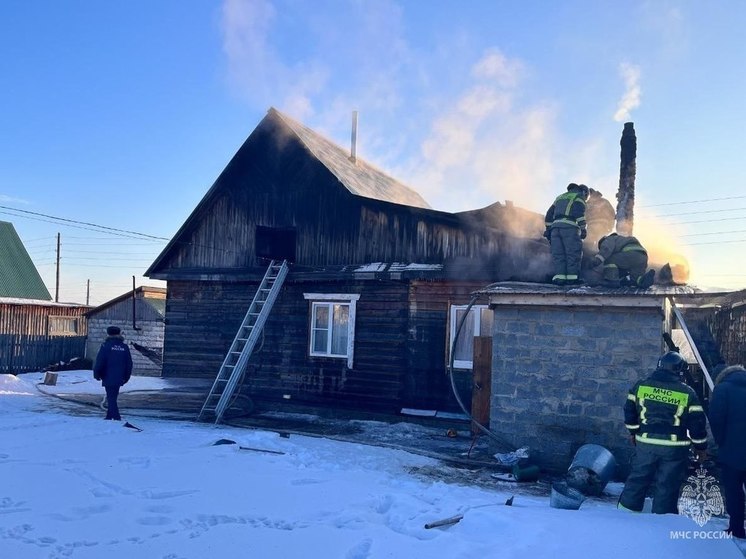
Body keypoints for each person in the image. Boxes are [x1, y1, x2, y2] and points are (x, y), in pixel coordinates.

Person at [618, 351, 708, 514]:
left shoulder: (641, 386)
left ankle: (625, 514)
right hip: (674, 448)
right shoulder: (688, 393)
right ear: (679, 371)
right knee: (667, 484)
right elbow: (697, 425)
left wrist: (633, 432)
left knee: (637, 479)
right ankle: (662, 519)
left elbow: (629, 411)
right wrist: (700, 447)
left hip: (645, 444)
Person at [709, 365, 746, 539]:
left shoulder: (722, 389)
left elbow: (716, 419)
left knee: (734, 491)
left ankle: (736, 529)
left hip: (732, 452)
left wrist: (721, 442)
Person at [544, 183, 589, 285]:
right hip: (569, 228)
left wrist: (548, 229)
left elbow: (549, 214)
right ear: (584, 192)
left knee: (558, 255)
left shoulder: (560, 197)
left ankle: (560, 278)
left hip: (555, 229)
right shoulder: (578, 197)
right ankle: (572, 279)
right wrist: (583, 228)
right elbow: (579, 213)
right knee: (572, 253)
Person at [93, 326, 133, 420]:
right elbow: (129, 363)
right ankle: (109, 415)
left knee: (111, 396)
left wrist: (97, 373)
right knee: (113, 395)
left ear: (108, 334)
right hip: (120, 376)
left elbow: (100, 361)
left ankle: (116, 416)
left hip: (107, 375)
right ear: (119, 333)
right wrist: (126, 377)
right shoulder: (124, 347)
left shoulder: (106, 346)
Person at [591, 233, 656, 288]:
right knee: (635, 279)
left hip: (630, 254)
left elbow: (606, 250)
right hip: (642, 257)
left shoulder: (608, 239)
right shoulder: (622, 240)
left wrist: (596, 261)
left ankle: (611, 281)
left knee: (610, 259)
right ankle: (644, 280)